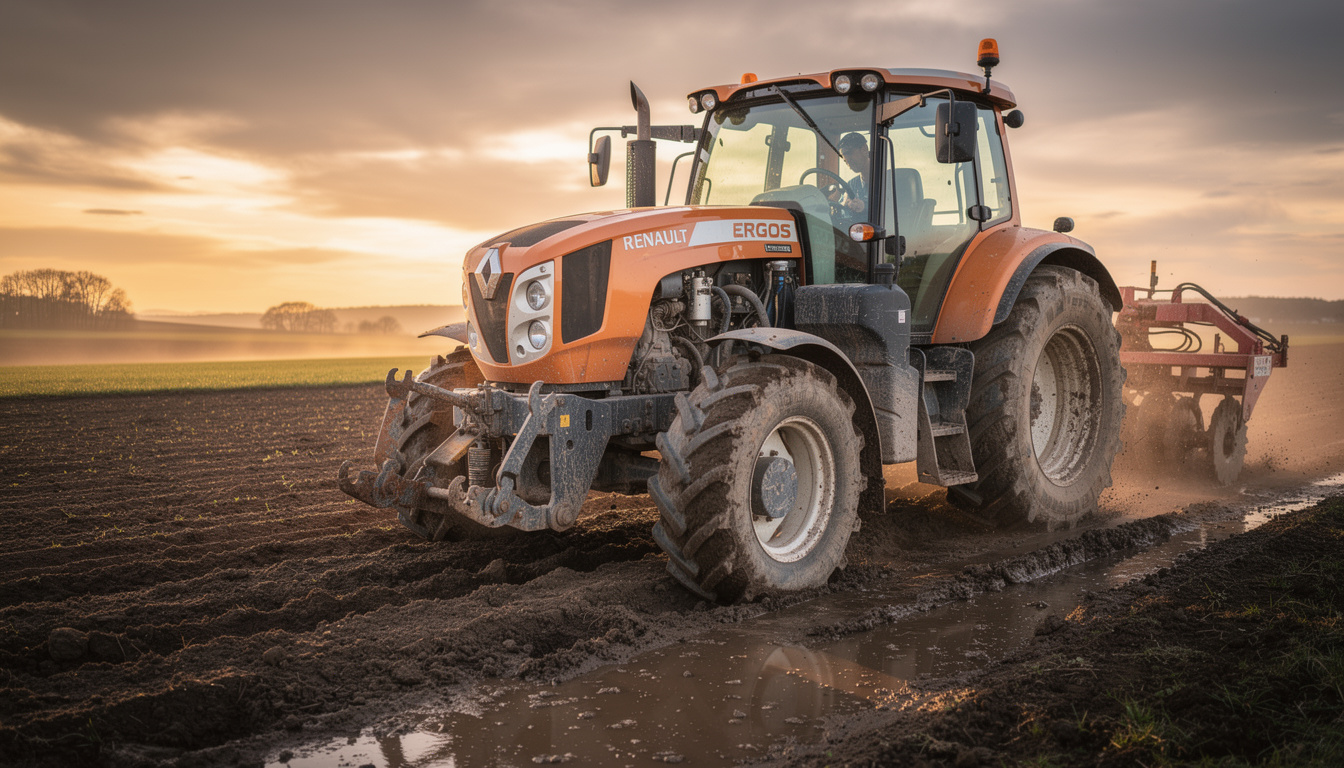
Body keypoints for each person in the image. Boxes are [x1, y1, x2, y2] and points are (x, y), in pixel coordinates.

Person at [836, 132, 870, 214]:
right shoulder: (851, 184)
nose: (849, 163)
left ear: (864, 149)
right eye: (845, 161)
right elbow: (842, 207)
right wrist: (843, 204)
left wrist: (864, 206)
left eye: (850, 154)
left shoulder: (887, 181)